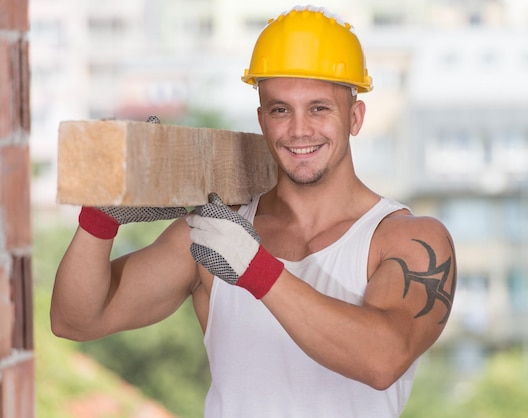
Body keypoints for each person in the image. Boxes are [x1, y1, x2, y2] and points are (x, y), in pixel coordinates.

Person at [51, 5, 457, 417]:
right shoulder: (217, 232)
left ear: (355, 117)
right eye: (281, 109)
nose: (299, 129)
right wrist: (101, 217)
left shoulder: (405, 239)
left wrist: (257, 269)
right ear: (262, 119)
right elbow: (77, 320)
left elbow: (382, 360)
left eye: (319, 108)